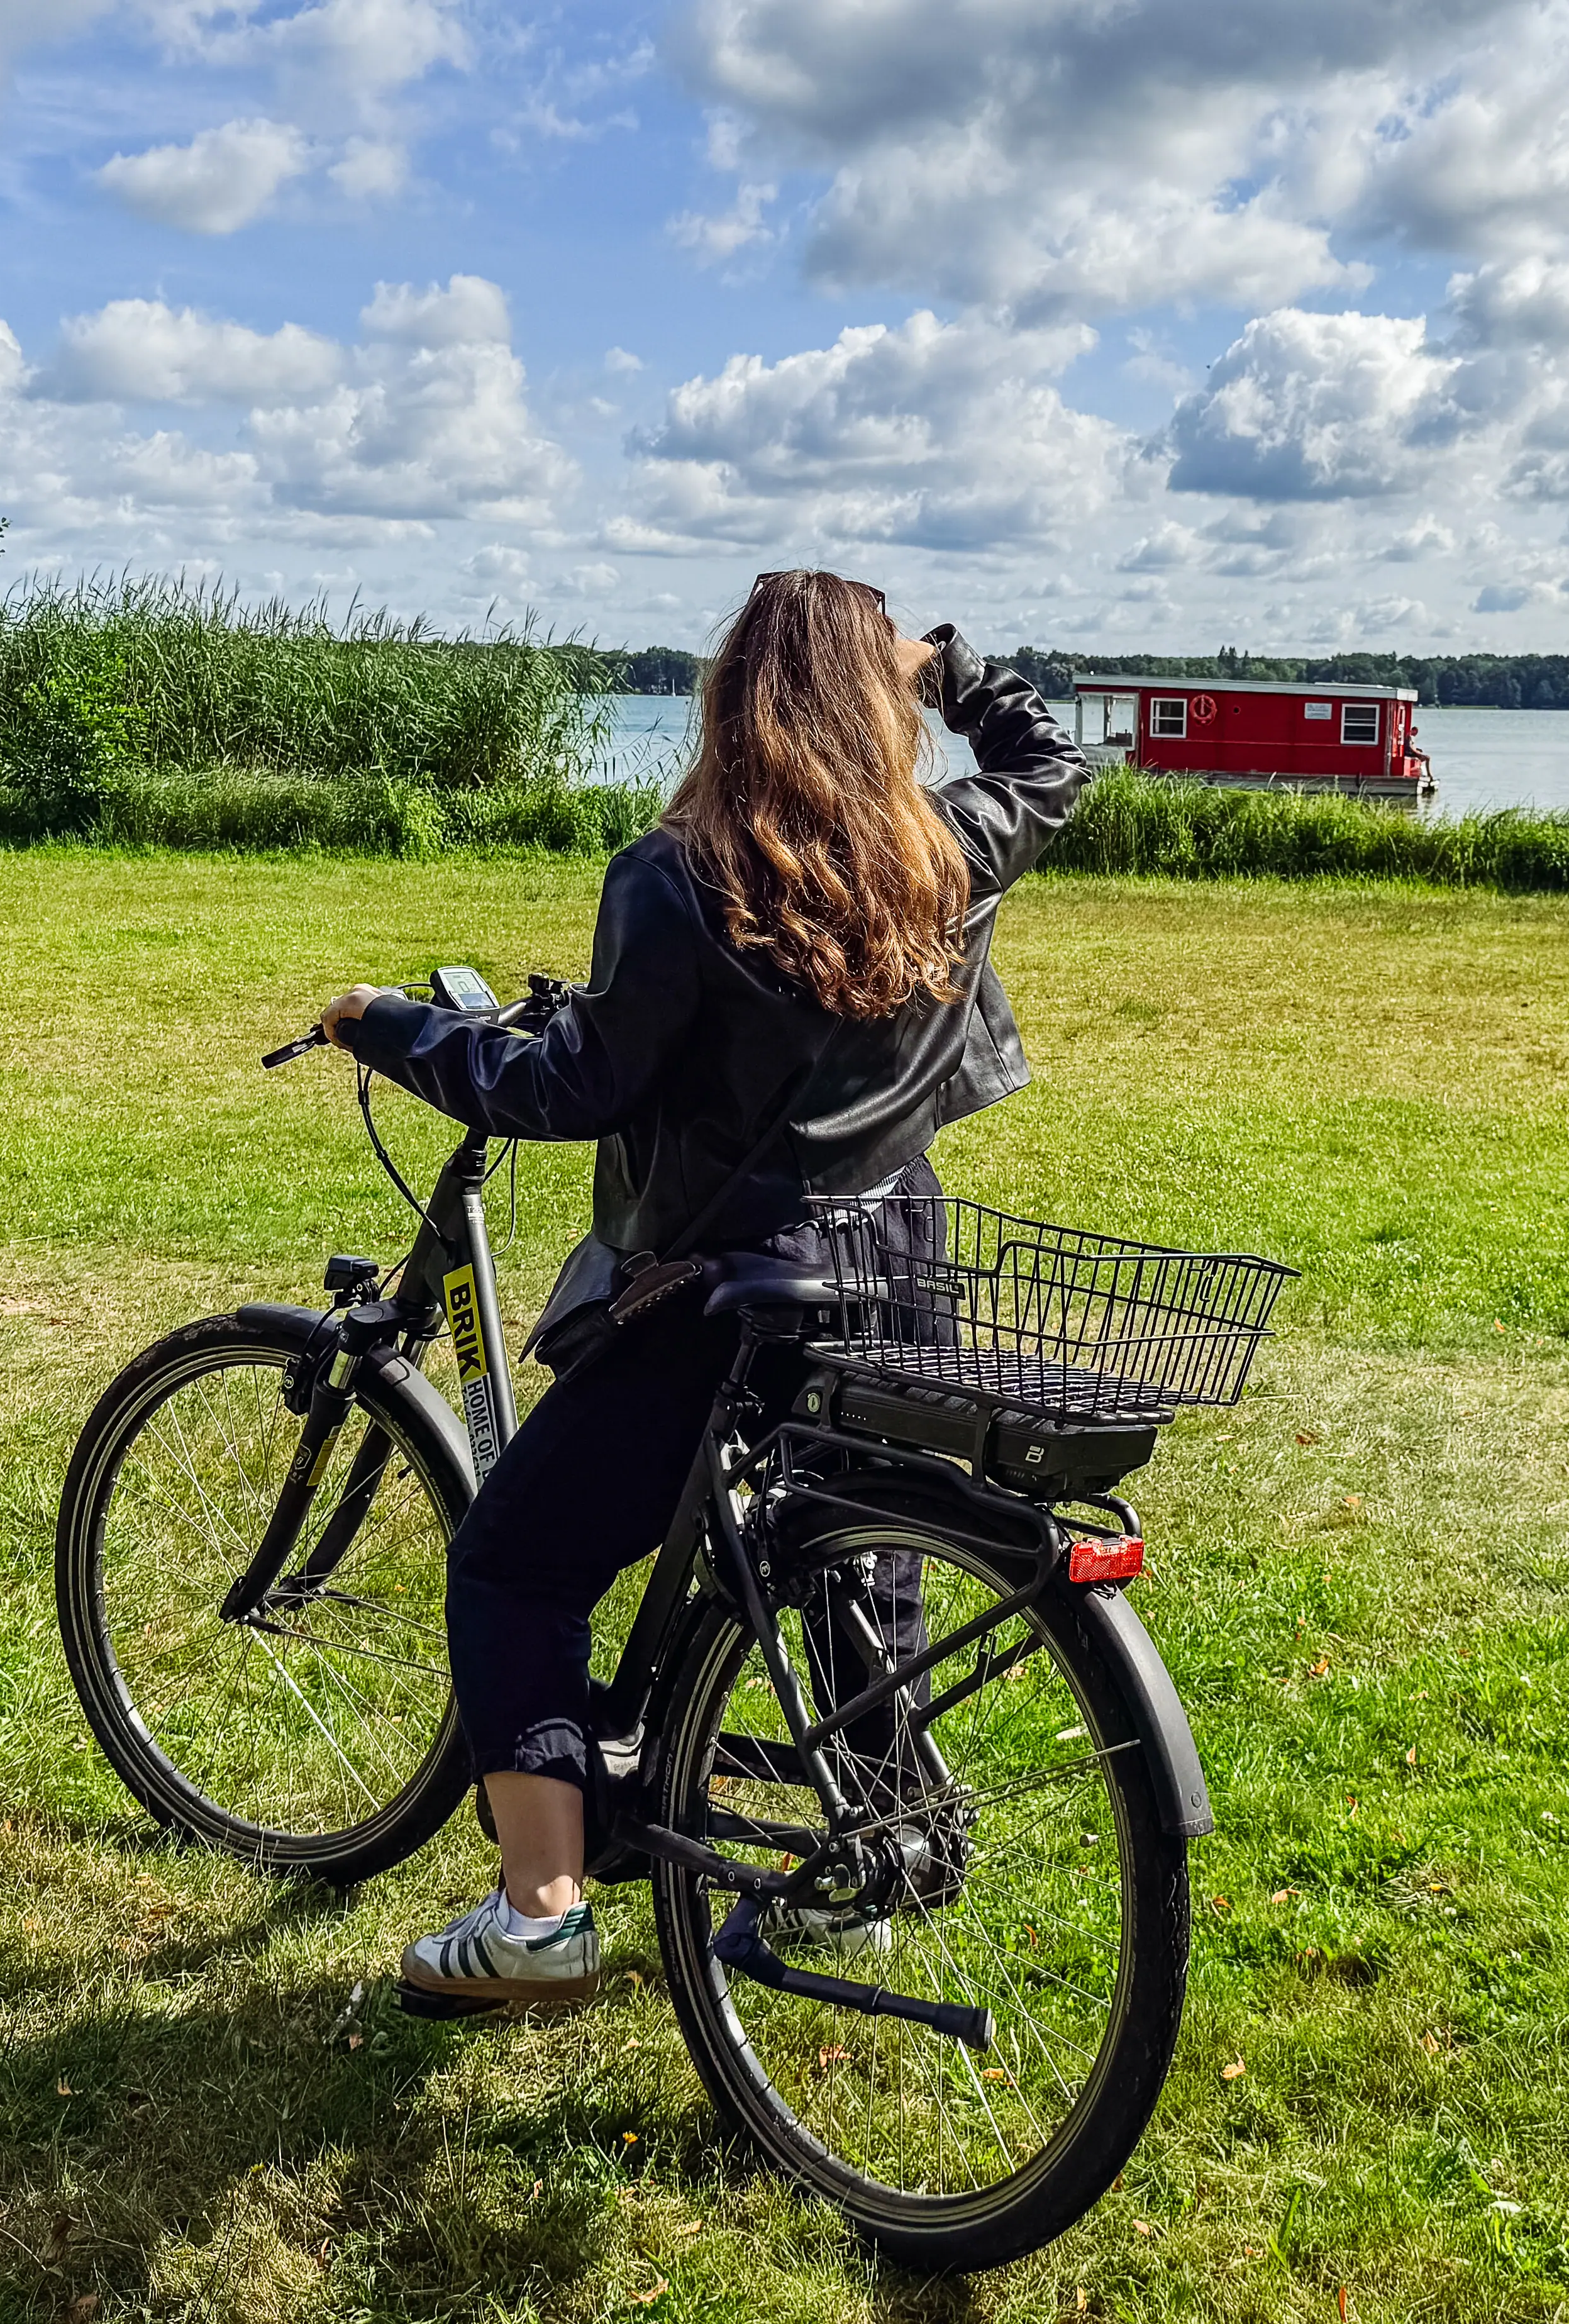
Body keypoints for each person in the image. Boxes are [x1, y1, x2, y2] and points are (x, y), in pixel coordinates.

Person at [315, 570, 1088, 2010]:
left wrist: (401, 1029)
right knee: (859, 1549)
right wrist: (953, 669)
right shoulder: (946, 851)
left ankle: (540, 1912)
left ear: (735, 692)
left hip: (726, 1297)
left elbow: (568, 1078)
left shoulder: (680, 876)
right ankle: (887, 1835)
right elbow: (1054, 762)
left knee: (515, 1562)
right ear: (882, 702)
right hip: (896, 1269)